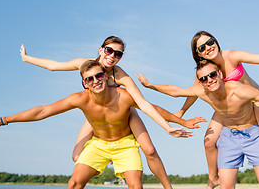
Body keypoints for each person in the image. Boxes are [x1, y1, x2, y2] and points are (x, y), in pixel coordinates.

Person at [137, 31, 259, 189]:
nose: (208, 47)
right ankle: (213, 178)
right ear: (198, 54)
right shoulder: (205, 72)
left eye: (210, 42)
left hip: (255, 100)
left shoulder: (231, 56)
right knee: (208, 141)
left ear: (216, 41)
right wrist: (180, 110)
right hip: (229, 106)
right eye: (202, 47)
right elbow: (188, 92)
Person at [20, 36, 206, 189]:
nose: (113, 56)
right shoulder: (85, 64)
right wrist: (28, 58)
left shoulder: (121, 76)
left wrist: (171, 125)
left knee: (149, 149)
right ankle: (108, 153)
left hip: (123, 113)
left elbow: (144, 104)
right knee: (76, 157)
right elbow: (54, 66)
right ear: (101, 49)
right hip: (97, 115)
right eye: (109, 50)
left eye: (118, 54)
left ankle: (167, 187)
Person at [0, 60, 193, 189]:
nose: (95, 81)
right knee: (73, 184)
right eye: (89, 79)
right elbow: (43, 110)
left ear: (106, 76)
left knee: (136, 186)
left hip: (126, 144)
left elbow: (152, 107)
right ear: (84, 83)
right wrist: (3, 120)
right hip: (98, 144)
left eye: (99, 76)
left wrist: (179, 121)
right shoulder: (80, 98)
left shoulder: (123, 95)